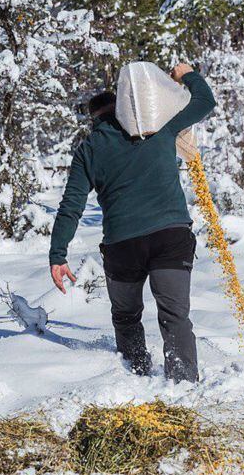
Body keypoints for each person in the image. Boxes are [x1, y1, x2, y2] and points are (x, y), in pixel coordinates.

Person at [48, 63, 215, 383]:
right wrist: (186, 74)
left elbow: (71, 206)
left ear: (92, 118)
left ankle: (135, 377)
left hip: (122, 247)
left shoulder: (89, 150)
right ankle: (183, 386)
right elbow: (205, 101)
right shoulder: (160, 127)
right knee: (175, 317)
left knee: (125, 317)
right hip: (171, 238)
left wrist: (58, 254)